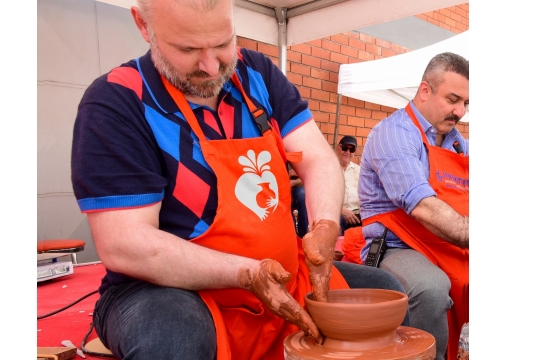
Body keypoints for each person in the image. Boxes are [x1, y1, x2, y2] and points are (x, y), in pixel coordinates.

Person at [70, 1, 408, 359]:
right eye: (188, 49)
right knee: (175, 339)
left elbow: (319, 158)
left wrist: (324, 224)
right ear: (143, 25)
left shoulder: (256, 73)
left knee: (389, 292)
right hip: (168, 288)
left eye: (222, 43)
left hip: (282, 276)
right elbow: (125, 243)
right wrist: (248, 274)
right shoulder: (118, 101)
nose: (211, 65)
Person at [344, 52, 469, 360]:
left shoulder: (457, 142)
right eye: (453, 99)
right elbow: (422, 206)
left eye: (466, 103)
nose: (460, 111)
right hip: (396, 247)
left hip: (447, 244)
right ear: (425, 90)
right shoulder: (395, 133)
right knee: (430, 288)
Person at [335, 135, 362, 234]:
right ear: (338, 148)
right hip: (336, 213)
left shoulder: (359, 171)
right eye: (345, 148)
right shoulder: (330, 168)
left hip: (356, 214)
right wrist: (341, 210)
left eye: (352, 150)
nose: (347, 152)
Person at [288, 164, 308, 238]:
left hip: (296, 190)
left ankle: (303, 235)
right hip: (280, 191)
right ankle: (291, 236)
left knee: (302, 195)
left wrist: (293, 182)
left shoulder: (301, 157)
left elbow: (308, 178)